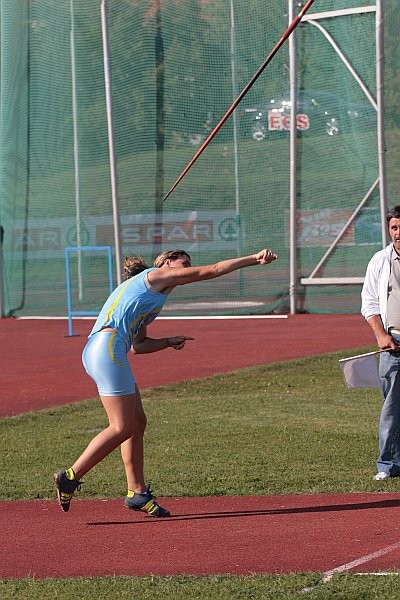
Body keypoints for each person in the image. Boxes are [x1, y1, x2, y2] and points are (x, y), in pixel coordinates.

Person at [54, 247, 278, 515]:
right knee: (122, 426)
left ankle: (136, 492)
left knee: (137, 422)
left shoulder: (151, 296)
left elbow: (139, 345)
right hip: (107, 349)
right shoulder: (155, 276)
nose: (187, 267)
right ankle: (70, 476)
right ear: (166, 263)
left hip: (107, 349)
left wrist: (167, 342)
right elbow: (214, 269)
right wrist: (254, 259)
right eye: (184, 263)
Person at [361, 205, 400, 480]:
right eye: (394, 227)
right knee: (390, 408)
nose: (398, 233)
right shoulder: (379, 260)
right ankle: (387, 465)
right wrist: (381, 335)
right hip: (393, 343)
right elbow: (369, 302)